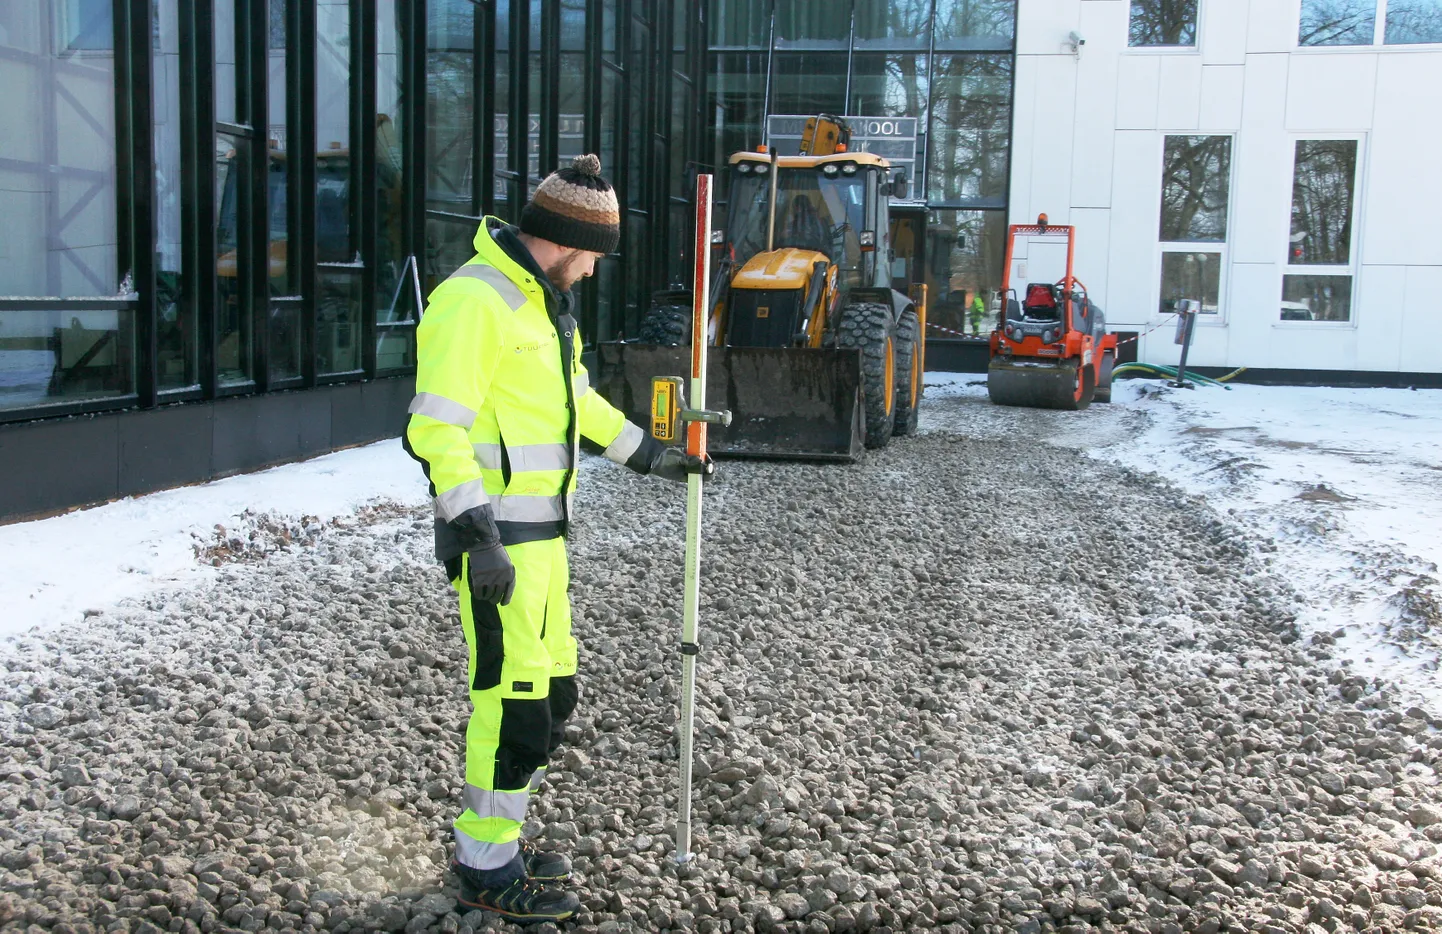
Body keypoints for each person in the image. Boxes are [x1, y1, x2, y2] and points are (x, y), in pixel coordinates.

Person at [404, 154, 709, 924]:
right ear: (570, 240)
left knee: (551, 697)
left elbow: (575, 402)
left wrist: (653, 454)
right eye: (597, 255)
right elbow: (434, 426)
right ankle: (484, 864)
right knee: (512, 706)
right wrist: (476, 539)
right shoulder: (476, 300)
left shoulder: (542, 305)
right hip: (499, 548)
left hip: (544, 545)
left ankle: (498, 844)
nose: (598, 271)